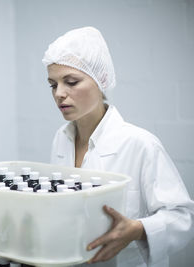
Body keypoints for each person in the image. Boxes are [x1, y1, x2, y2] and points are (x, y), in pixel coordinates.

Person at [42, 26, 194, 267]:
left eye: (71, 81)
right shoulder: (61, 139)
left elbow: (182, 218)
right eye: (53, 84)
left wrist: (138, 229)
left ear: (101, 80)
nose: (59, 93)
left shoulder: (141, 144)